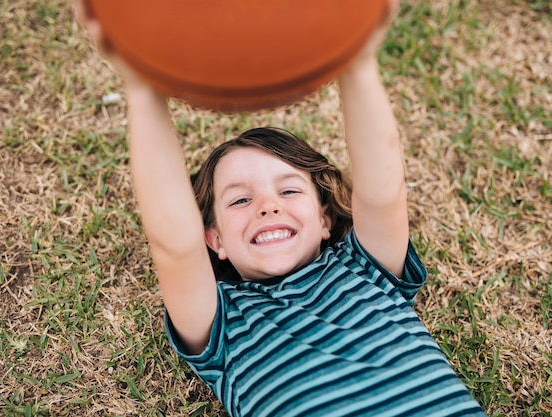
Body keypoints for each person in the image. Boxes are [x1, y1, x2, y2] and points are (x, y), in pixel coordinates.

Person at [75, 1, 487, 416]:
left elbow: (383, 191)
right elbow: (174, 246)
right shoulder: (222, 323)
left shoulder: (367, 269)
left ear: (326, 219)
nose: (268, 207)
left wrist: (359, 61)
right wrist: (141, 89)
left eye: (289, 192)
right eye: (240, 199)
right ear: (214, 238)